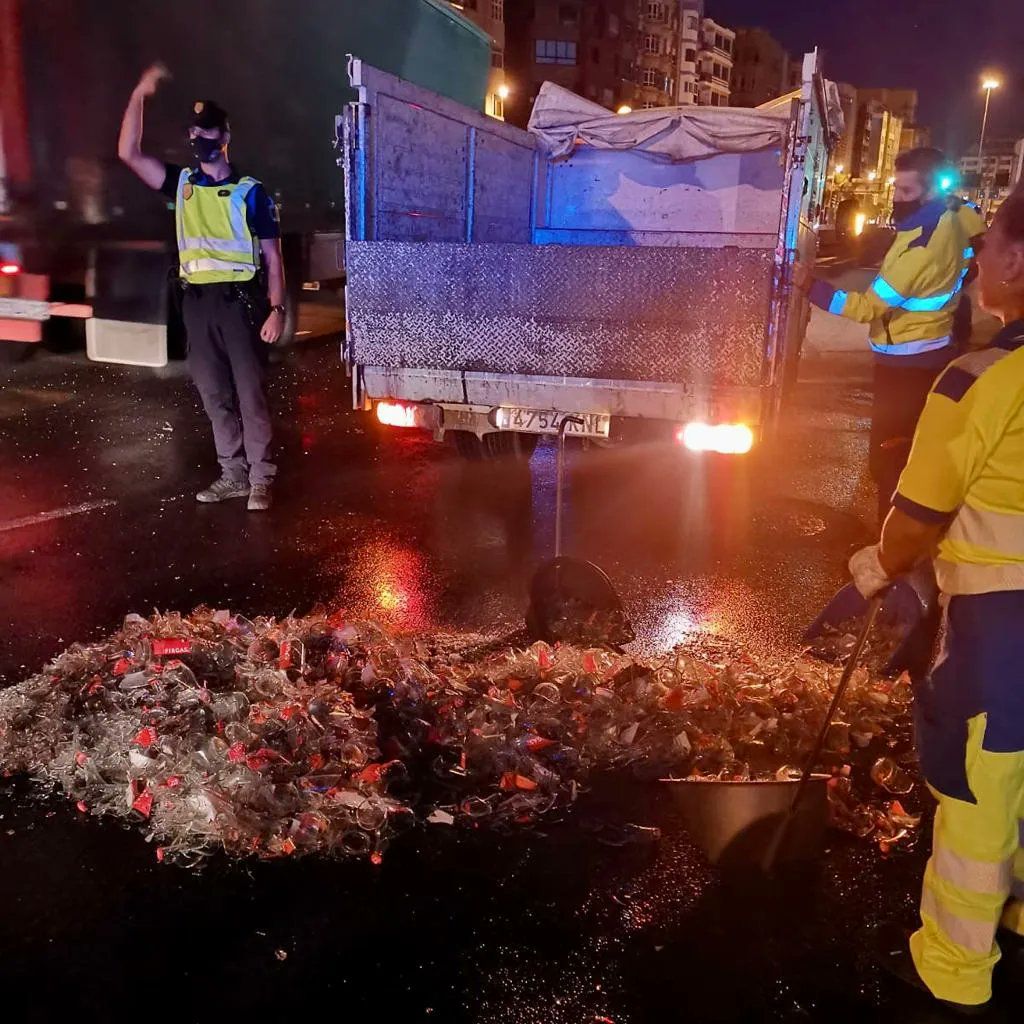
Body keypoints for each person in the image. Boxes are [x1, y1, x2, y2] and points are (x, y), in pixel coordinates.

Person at [848, 188, 1024, 1015]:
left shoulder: (982, 378)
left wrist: (881, 563)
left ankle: (953, 973)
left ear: (1017, 263)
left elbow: (917, 515)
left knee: (977, 791)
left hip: (1003, 624)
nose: (976, 259)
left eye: (988, 247)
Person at [117, 64, 285, 511]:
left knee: (250, 395)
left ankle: (261, 479)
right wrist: (139, 94)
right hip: (198, 305)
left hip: (240, 305)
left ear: (224, 136)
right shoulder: (183, 185)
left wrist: (276, 309)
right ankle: (233, 475)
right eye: (194, 131)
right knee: (215, 396)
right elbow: (129, 154)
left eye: (206, 131)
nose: (199, 138)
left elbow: (273, 256)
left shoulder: (251, 192)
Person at [795, 148, 985, 525]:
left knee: (890, 460)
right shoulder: (957, 214)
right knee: (909, 453)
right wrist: (955, 285)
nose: (896, 198)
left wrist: (809, 287)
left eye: (906, 191)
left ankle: (888, 551)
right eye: (896, 188)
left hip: (906, 364)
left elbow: (866, 308)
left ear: (930, 193)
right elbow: (975, 251)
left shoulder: (921, 250)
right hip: (931, 349)